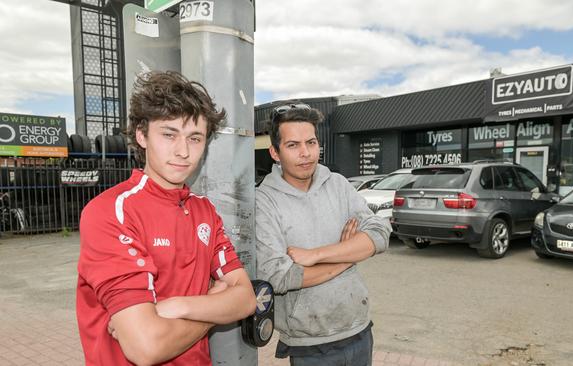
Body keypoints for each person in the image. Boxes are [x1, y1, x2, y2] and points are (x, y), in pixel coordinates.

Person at [76, 71, 257, 366]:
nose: (183, 151)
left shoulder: (205, 211)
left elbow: (246, 299)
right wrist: (213, 307)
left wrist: (176, 306)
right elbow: (146, 347)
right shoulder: (111, 211)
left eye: (195, 138)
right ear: (141, 135)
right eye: (169, 134)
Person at [256, 102, 391, 365]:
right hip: (309, 344)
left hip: (359, 329)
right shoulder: (264, 201)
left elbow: (380, 233)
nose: (305, 153)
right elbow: (279, 276)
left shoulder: (338, 185)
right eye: (293, 145)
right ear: (274, 151)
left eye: (311, 142)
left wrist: (315, 255)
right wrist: (348, 256)